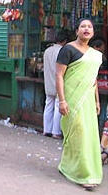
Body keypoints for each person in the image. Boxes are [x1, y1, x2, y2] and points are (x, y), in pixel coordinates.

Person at [56, 18, 103, 190]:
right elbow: (59, 76)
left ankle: (68, 166)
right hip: (72, 98)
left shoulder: (96, 54)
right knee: (78, 133)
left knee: (89, 134)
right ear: (76, 31)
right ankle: (84, 174)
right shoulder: (67, 50)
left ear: (93, 32)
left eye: (89, 26)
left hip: (88, 100)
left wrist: (97, 100)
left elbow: (93, 79)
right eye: (82, 26)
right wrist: (62, 100)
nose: (86, 29)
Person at [43, 30, 68, 139]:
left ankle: (46, 129)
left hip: (48, 81)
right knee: (58, 105)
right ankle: (56, 132)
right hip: (58, 82)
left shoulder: (47, 51)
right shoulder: (63, 51)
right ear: (65, 41)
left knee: (48, 104)